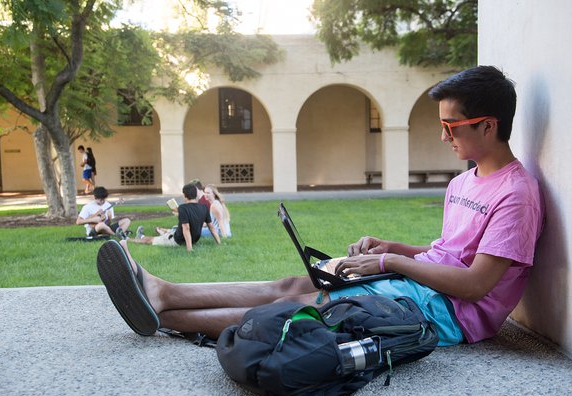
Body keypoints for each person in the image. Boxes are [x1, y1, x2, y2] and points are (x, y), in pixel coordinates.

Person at [96, 66, 545, 345]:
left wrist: (389, 262)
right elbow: (448, 252)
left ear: (488, 126)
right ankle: (165, 297)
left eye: (452, 127)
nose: (443, 136)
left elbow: (473, 286)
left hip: (447, 315)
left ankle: (164, 309)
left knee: (311, 304)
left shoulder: (516, 195)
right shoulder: (465, 181)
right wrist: (391, 249)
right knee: (295, 282)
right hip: (422, 287)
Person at [132, 183, 221, 251]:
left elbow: (186, 228)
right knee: (171, 232)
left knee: (150, 240)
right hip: (194, 239)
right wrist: (219, 243)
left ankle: (129, 239)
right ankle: (145, 235)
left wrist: (189, 249)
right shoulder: (203, 207)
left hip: (178, 240)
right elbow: (211, 227)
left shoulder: (182, 208)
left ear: (185, 195)